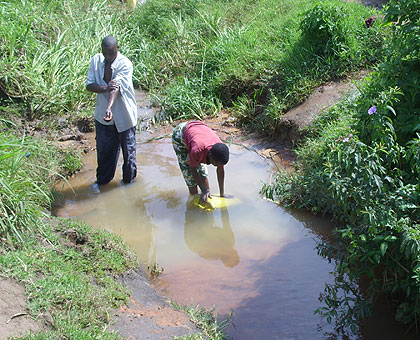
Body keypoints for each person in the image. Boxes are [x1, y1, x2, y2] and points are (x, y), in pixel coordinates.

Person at [86, 35, 138, 185]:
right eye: (105, 54)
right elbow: (89, 85)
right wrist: (105, 88)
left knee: (129, 157)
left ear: (118, 49)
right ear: (101, 50)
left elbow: (116, 86)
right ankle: (103, 184)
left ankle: (129, 186)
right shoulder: (96, 60)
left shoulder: (125, 64)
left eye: (111, 54)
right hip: (103, 118)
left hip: (124, 116)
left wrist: (109, 107)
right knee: (104, 155)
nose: (108, 57)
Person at [172, 120, 229, 202]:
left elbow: (220, 170)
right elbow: (193, 170)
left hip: (198, 132)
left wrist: (222, 194)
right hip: (180, 134)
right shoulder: (197, 150)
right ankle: (194, 197)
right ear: (210, 155)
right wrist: (204, 190)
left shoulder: (220, 151)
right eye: (216, 164)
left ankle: (206, 194)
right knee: (188, 172)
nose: (217, 166)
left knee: (202, 172)